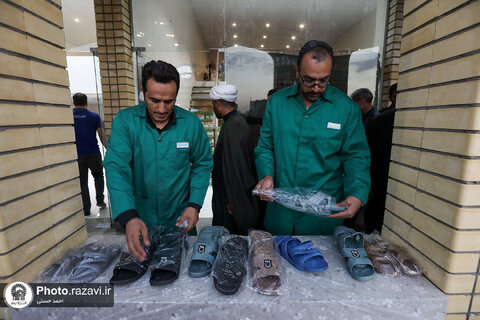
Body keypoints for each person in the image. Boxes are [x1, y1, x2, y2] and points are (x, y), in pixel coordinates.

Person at [255, 40, 371, 235]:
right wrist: (267, 175)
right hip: (281, 212)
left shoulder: (346, 109)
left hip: (322, 218)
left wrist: (357, 193)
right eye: (309, 80)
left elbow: (356, 156)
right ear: (297, 73)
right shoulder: (277, 103)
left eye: (324, 81)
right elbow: (266, 147)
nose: (316, 88)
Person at [103, 60, 213, 261]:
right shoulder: (126, 121)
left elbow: (203, 164)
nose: (162, 109)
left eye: (169, 101)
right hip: (139, 218)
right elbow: (116, 168)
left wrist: (195, 205)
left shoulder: (191, 124)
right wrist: (128, 216)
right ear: (143, 91)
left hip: (181, 218)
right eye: (154, 100)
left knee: (183, 275)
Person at [210, 84, 261, 235]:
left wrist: (233, 200)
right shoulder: (235, 122)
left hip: (230, 201)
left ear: (218, 103)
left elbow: (237, 168)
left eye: (213, 104)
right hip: (230, 197)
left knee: (230, 239)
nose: (214, 108)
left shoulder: (234, 126)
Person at [364, 83, 397, 233]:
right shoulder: (381, 121)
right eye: (397, 95)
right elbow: (368, 154)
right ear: (390, 97)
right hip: (380, 180)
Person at [72, 93, 107, 216]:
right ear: (86, 102)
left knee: (82, 181)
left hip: (77, 155)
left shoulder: (69, 117)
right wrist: (108, 148)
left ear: (74, 103)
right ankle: (100, 201)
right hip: (93, 153)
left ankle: (86, 209)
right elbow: (101, 135)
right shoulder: (94, 116)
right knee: (98, 176)